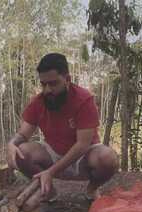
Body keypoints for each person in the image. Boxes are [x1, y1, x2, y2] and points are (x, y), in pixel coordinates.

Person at [6, 53, 119, 202]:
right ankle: (48, 191)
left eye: (53, 84)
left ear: (67, 79)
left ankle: (91, 190)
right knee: (22, 152)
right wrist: (11, 143)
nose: (47, 90)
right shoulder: (38, 102)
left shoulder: (84, 100)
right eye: (43, 84)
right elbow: (23, 134)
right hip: (52, 153)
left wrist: (51, 172)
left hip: (84, 156)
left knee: (108, 158)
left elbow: (82, 145)